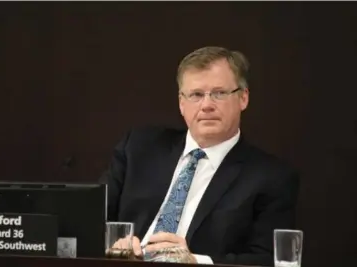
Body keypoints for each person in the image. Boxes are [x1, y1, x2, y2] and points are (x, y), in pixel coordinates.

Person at [100, 46, 300, 266]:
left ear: (243, 98)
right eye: (196, 95)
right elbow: (91, 222)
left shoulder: (271, 177)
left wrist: (196, 262)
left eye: (219, 93)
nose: (207, 105)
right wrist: (113, 247)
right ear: (181, 103)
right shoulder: (139, 148)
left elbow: (269, 260)